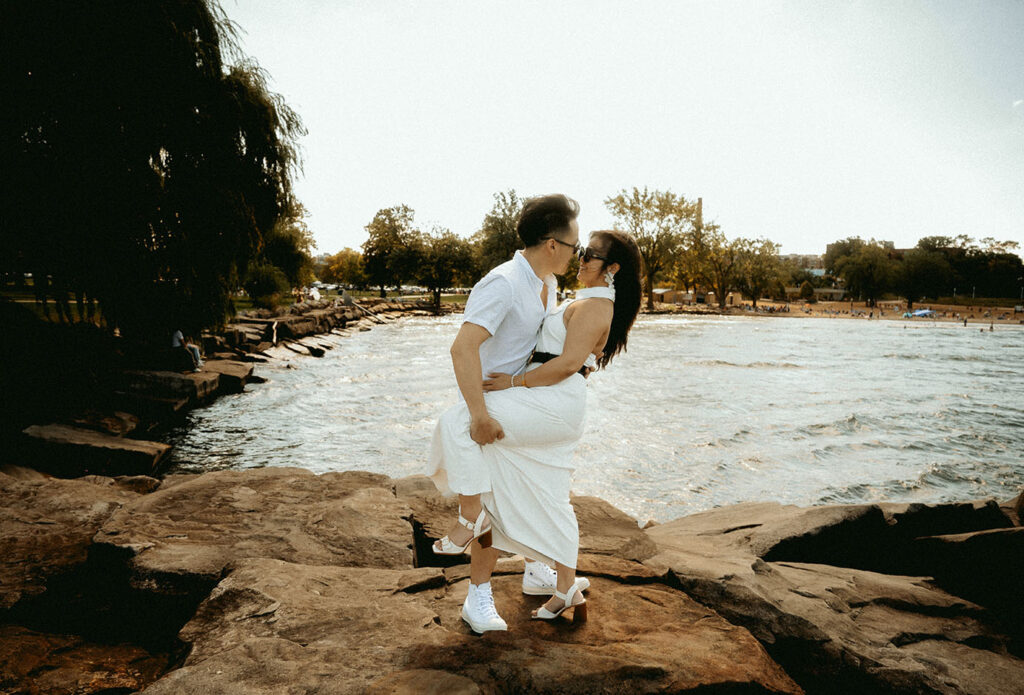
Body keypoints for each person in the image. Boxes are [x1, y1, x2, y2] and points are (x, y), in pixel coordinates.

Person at [438, 229, 643, 632]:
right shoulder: (572, 293)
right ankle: (555, 579)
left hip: (550, 400)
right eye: (580, 251)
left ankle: (471, 518)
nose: (581, 259)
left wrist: (512, 384)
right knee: (546, 491)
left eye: (591, 255)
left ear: (612, 268)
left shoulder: (596, 304)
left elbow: (567, 364)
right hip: (548, 399)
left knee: (460, 421)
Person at [427, 194, 581, 623]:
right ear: (552, 244)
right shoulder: (504, 282)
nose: (577, 254)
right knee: (492, 503)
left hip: (524, 399)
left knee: (533, 488)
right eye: (575, 246)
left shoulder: (546, 283)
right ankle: (477, 597)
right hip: (492, 407)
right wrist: (478, 415)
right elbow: (463, 349)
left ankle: (534, 568)